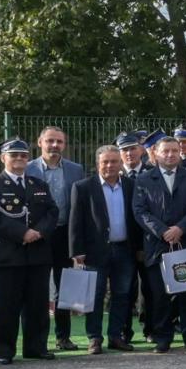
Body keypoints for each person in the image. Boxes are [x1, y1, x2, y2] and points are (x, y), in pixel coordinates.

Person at [0, 138, 59, 365]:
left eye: (23, 155)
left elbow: (52, 212)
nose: (19, 159)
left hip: (37, 253)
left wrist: (38, 232)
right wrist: (22, 233)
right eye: (14, 155)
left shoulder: (38, 185)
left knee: (37, 305)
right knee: (7, 306)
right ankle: (4, 350)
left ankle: (36, 347)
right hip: (6, 255)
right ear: (3, 158)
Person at [135, 135, 186, 353]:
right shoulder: (144, 179)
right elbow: (140, 211)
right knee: (159, 294)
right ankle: (163, 337)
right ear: (156, 153)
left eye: (175, 151)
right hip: (157, 245)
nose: (171, 155)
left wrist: (180, 228)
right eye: (166, 151)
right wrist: (163, 231)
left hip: (185, 243)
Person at [69, 145, 138, 354]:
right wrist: (76, 250)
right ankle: (94, 338)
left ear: (120, 164)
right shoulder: (83, 187)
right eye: (105, 162)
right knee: (95, 295)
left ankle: (115, 336)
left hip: (124, 250)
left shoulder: (130, 185)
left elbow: (135, 219)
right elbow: (75, 221)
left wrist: (139, 248)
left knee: (122, 294)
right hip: (94, 252)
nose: (110, 165)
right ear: (98, 164)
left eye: (114, 161)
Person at [27, 126, 86, 351]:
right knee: (39, 287)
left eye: (59, 142)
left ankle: (63, 337)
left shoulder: (75, 169)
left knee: (65, 287)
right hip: (38, 235)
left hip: (64, 234)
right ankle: (38, 339)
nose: (54, 145)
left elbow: (78, 205)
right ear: (39, 142)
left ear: (64, 145)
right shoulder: (28, 168)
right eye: (50, 141)